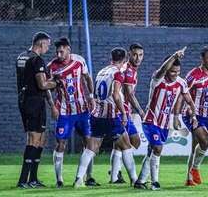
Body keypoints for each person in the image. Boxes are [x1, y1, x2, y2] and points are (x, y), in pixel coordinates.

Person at [134, 47, 198, 190]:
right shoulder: (158, 79)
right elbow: (162, 70)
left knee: (152, 150)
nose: (175, 74)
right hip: (150, 120)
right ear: (167, 69)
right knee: (158, 147)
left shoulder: (181, 83)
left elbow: (189, 100)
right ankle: (155, 182)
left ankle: (140, 181)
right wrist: (175, 56)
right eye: (173, 71)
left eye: (178, 72)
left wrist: (193, 115)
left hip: (164, 123)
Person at [73, 47, 138, 187]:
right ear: (125, 59)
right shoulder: (118, 74)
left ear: (111, 58)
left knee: (91, 148)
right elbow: (115, 95)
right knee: (126, 145)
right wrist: (124, 113)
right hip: (110, 116)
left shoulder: (102, 71)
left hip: (96, 115)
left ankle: (79, 179)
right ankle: (134, 179)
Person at [47, 37, 99, 188]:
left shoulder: (79, 61)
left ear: (69, 50)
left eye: (61, 51)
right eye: (57, 51)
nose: (58, 53)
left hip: (82, 110)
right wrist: (52, 106)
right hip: (64, 111)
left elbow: (88, 78)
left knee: (89, 143)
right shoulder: (52, 66)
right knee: (61, 143)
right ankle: (59, 180)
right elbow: (47, 88)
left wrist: (91, 96)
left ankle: (85, 177)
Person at [174, 46, 208, 186]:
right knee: (206, 141)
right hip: (191, 114)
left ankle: (189, 179)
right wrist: (176, 115)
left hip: (207, 115)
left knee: (195, 147)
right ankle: (195, 169)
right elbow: (181, 96)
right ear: (202, 59)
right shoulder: (193, 75)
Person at [16, 32, 58, 188]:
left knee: (41, 139)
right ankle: (23, 180)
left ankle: (33, 179)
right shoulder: (37, 59)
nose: (48, 48)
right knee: (34, 139)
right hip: (34, 102)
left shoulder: (22, 57)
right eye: (47, 45)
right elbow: (42, 85)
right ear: (41, 43)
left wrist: (52, 104)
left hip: (25, 100)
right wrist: (56, 83)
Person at [109, 43, 145, 183]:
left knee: (121, 144)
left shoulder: (130, 69)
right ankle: (121, 176)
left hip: (124, 111)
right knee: (133, 142)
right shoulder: (128, 70)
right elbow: (129, 94)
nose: (137, 58)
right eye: (135, 54)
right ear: (129, 54)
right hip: (120, 111)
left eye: (140, 55)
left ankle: (115, 174)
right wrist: (141, 111)